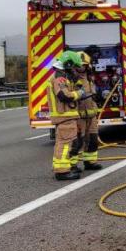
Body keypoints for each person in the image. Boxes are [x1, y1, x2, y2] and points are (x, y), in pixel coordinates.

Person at [48, 51, 85, 180]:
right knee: (64, 144)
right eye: (74, 67)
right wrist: (78, 94)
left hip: (66, 116)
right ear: (68, 64)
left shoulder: (62, 77)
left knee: (66, 143)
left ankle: (64, 167)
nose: (75, 70)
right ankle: (62, 171)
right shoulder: (59, 79)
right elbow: (63, 96)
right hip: (64, 116)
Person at [75, 51, 104, 171]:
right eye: (79, 64)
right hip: (79, 117)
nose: (81, 67)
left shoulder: (89, 76)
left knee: (92, 139)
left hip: (91, 115)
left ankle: (90, 162)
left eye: (84, 64)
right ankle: (72, 165)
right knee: (77, 142)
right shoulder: (71, 78)